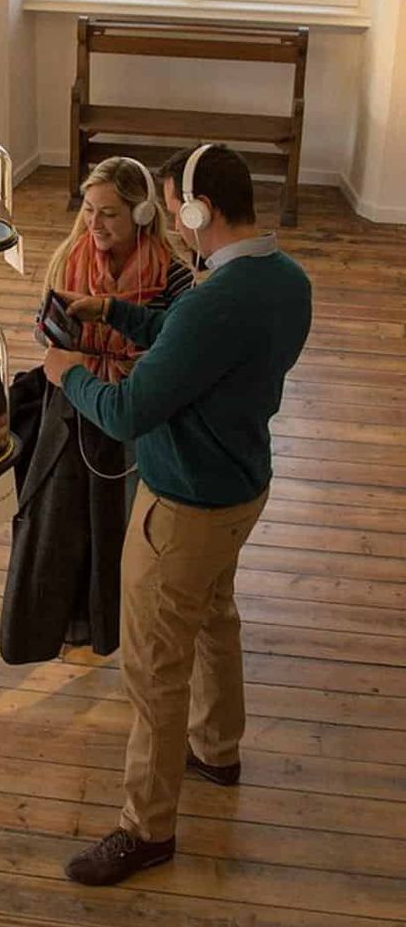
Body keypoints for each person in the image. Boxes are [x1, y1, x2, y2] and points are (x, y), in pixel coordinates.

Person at [43, 144, 312, 887]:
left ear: (200, 211)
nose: (172, 222)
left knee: (155, 667)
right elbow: (201, 347)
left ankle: (147, 827)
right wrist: (117, 311)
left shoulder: (209, 302)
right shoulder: (289, 281)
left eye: (174, 206)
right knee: (215, 616)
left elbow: (128, 409)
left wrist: (67, 376)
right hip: (242, 490)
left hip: (183, 506)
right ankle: (217, 748)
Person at [0, 158, 193, 664]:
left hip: (134, 409)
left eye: (109, 213)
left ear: (143, 213)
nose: (95, 224)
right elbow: (45, 330)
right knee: (65, 528)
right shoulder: (70, 256)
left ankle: (127, 628)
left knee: (125, 529)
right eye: (89, 210)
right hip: (73, 399)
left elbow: (173, 350)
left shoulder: (174, 278)